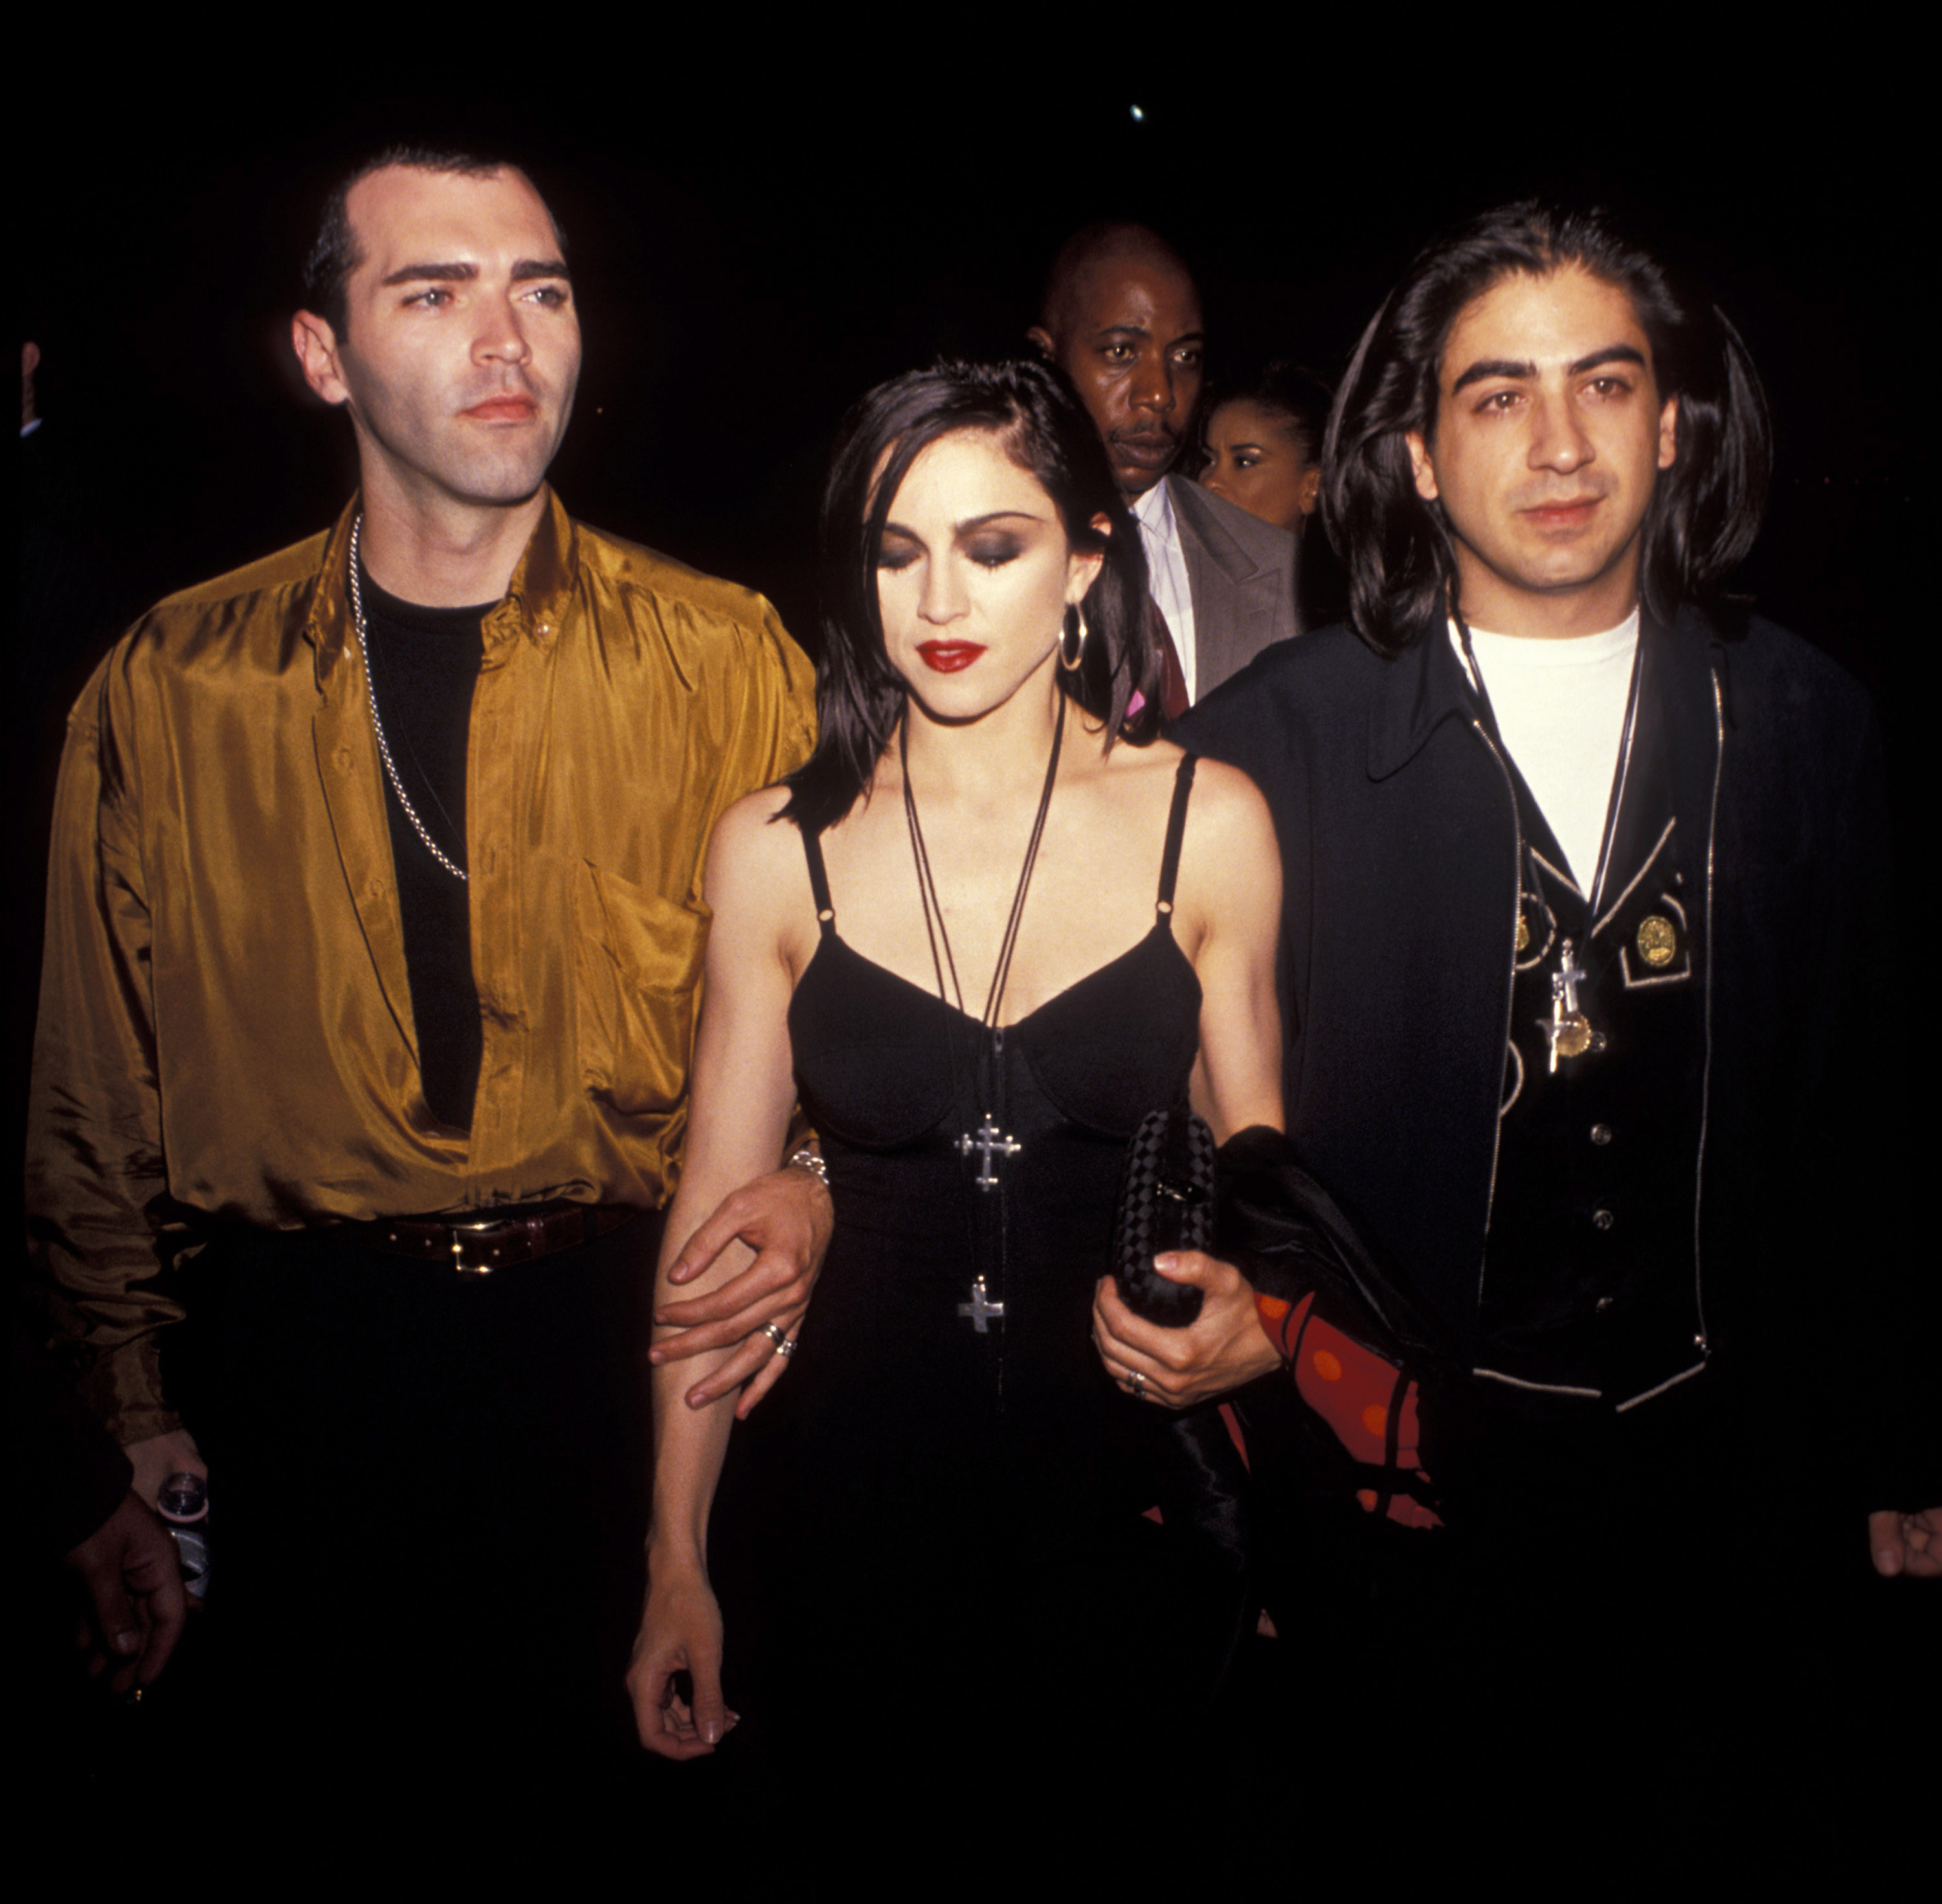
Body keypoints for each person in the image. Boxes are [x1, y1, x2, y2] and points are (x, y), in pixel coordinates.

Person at [1108, 200, 1935, 1874]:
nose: (1559, 444)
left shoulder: (1796, 714)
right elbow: (1129, 1083)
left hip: (1729, 1502)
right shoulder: (1273, 743)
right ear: (1415, 452)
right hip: (1404, 1518)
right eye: (1497, 396)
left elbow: (1871, 1116)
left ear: (1674, 422)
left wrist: (1899, 1443)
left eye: (1605, 385)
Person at [24, 146, 829, 1775]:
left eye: (539, 288)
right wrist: (130, 1417)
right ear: (324, 354)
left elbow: (846, 1017)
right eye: (433, 290)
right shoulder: (175, 688)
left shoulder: (724, 658)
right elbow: (90, 1092)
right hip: (299, 1383)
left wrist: (811, 1183)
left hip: (630, 1360)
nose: (505, 337)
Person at [627, 359, 1284, 1801]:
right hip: (844, 1535)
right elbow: (710, 1247)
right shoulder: (775, 849)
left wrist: (1265, 1324)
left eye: (993, 547)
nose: (938, 605)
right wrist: (676, 1560)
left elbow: (1270, 1201)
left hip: (1131, 1539)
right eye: (897, 552)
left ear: (1083, 563)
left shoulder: (1209, 822)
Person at [1029, 224, 1299, 709]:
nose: (1160, 393)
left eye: (1185, 356)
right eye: (1121, 352)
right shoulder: (973, 565)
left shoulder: (1286, 568)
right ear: (1047, 357)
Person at [1198, 361, 1346, 629]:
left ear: (1311, 486)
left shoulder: (1343, 626)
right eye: (1209, 460)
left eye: (1244, 462)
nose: (1210, 482)